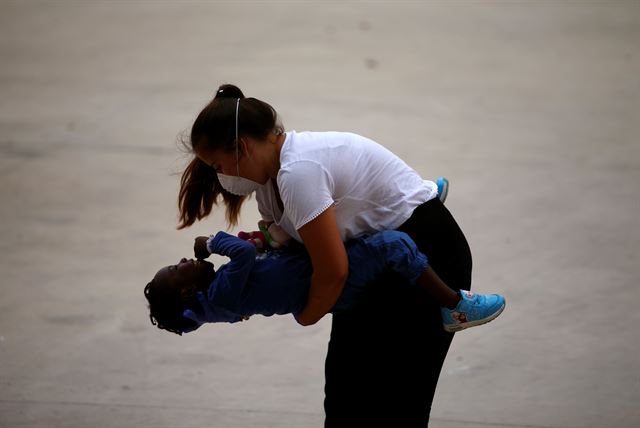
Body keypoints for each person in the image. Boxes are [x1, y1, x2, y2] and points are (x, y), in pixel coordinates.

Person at [177, 84, 494, 425]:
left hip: (423, 257)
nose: (219, 176)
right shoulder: (270, 182)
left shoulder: (298, 172)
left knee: (398, 404)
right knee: (346, 401)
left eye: (217, 165)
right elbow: (303, 246)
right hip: (373, 263)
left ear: (241, 147)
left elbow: (333, 272)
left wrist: (306, 313)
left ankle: (456, 304)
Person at [143, 230, 505, 335]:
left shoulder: (221, 296)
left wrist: (264, 242)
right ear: (188, 290)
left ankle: (412, 194)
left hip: (314, 275)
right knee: (393, 245)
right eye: (178, 269)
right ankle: (455, 307)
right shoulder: (221, 292)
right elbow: (238, 254)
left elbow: (253, 261)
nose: (184, 261)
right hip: (328, 282)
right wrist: (210, 243)